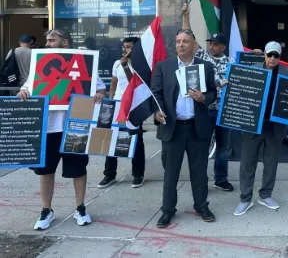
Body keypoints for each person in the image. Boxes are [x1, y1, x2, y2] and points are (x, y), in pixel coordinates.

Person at [17, 29, 106, 230]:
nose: (47, 43)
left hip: (75, 125)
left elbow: (99, 87)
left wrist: (100, 94)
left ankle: (80, 208)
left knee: (78, 170)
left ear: (64, 42)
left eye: (51, 40)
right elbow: (27, 88)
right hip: (48, 127)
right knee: (45, 171)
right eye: (47, 40)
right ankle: (46, 210)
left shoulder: (83, 63)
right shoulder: (41, 64)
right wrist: (22, 92)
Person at [149, 29, 218, 228]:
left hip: (197, 128)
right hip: (173, 128)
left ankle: (201, 206)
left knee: (199, 172)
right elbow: (155, 93)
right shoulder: (164, 66)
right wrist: (157, 111)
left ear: (193, 45)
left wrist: (204, 98)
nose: (181, 45)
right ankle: (168, 210)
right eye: (178, 41)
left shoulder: (205, 67)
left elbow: (213, 93)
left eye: (185, 41)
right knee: (171, 173)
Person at [233, 41, 288, 216]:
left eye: (276, 55)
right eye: (270, 55)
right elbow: (241, 94)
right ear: (265, 55)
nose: (272, 58)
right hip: (254, 124)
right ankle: (245, 198)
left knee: (271, 162)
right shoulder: (252, 70)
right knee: (247, 163)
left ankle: (265, 195)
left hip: (275, 126)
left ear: (280, 57)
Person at [181, 3, 237, 191]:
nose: (211, 46)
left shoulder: (232, 62)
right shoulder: (203, 57)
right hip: (205, 109)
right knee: (203, 146)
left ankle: (221, 179)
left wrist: (256, 54)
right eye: (210, 43)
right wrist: (186, 16)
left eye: (215, 44)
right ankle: (201, 180)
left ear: (223, 47)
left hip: (224, 111)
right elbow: (188, 36)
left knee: (223, 148)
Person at [98, 37, 146, 189]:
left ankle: (138, 174)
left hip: (133, 107)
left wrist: (126, 66)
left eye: (129, 47)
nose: (125, 49)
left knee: (135, 140)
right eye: (124, 46)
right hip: (117, 105)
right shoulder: (117, 63)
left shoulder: (142, 65)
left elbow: (134, 84)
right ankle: (109, 174)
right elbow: (114, 83)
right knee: (111, 139)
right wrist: (111, 101)